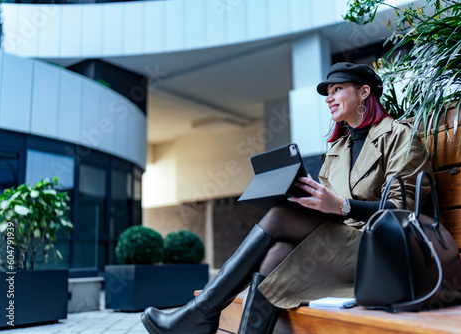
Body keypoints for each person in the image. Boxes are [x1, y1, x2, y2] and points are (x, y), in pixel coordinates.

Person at [140, 62, 433, 334]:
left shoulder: (400, 136)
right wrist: (303, 199)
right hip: (337, 247)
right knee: (275, 255)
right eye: (327, 93)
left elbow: (401, 211)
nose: (329, 98)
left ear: (364, 92)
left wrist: (343, 206)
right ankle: (200, 315)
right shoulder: (337, 149)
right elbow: (326, 207)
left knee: (279, 219)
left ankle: (199, 313)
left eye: (337, 89)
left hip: (380, 250)